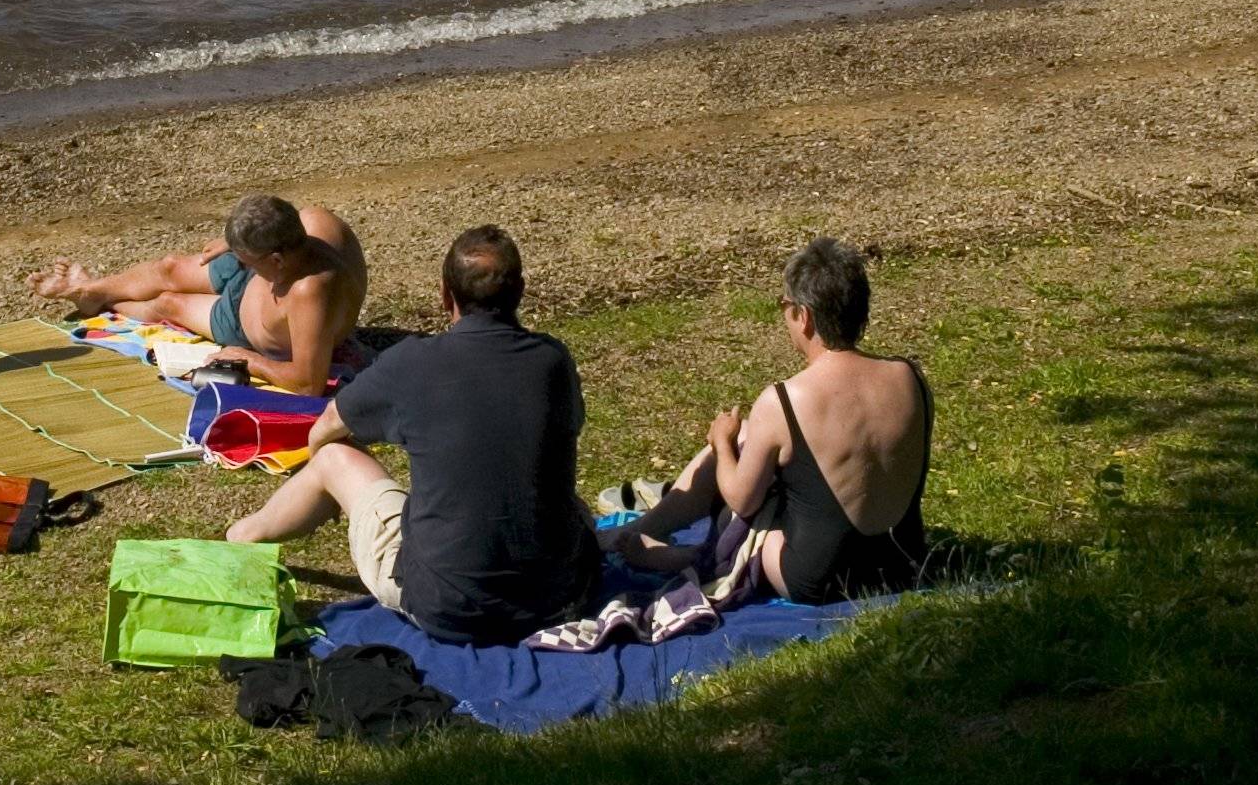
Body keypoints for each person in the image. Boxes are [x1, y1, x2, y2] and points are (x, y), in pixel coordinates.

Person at [223, 225, 601, 645]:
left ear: (445, 295)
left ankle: (243, 537)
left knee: (332, 458)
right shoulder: (553, 360)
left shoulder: (412, 362)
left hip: (447, 606)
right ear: (520, 292)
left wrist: (323, 484)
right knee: (568, 504)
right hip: (561, 597)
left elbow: (327, 427)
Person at [604, 235, 932, 602]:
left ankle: (688, 556)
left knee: (742, 472)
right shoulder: (910, 377)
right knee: (757, 439)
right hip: (902, 564)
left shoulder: (785, 400)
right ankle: (654, 529)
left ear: (804, 317)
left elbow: (742, 500)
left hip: (821, 580)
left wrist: (722, 444)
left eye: (785, 305)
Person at [30, 193, 365, 394]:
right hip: (261, 272)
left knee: (168, 304)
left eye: (244, 258)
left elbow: (308, 385)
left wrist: (251, 360)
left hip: (241, 322)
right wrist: (236, 244)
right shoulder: (313, 222)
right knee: (170, 267)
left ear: (276, 259)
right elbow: (278, 217)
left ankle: (106, 302)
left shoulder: (309, 291)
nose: (239, 261)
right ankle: (91, 289)